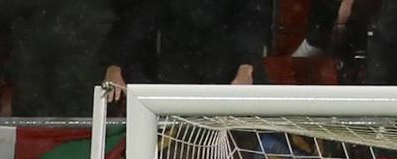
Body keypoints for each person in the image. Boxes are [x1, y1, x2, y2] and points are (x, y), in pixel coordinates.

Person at [103, 0, 273, 98]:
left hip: (233, 76)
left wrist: (246, 67)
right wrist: (115, 64)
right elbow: (138, 19)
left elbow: (253, 19)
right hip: (179, 79)